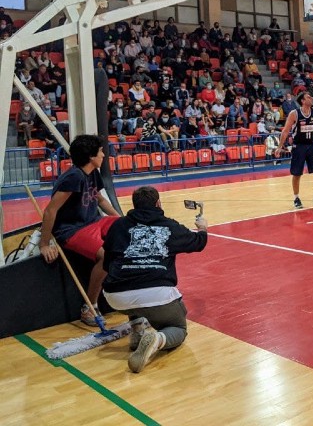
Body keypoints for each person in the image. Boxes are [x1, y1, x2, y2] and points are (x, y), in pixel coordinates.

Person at [102, 186, 208, 373]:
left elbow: (107, 263)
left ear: (134, 204)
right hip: (156, 292)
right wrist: (202, 229)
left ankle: (137, 331)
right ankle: (157, 339)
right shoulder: (169, 225)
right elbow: (198, 243)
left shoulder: (119, 225)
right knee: (178, 327)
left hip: (115, 295)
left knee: (133, 288)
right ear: (158, 203)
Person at [38, 135, 121, 324]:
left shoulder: (93, 172)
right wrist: (44, 244)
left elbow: (100, 199)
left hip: (94, 221)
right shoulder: (74, 177)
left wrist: (120, 220)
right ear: (91, 156)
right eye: (100, 152)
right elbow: (50, 211)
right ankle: (89, 307)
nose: (103, 155)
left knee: (129, 232)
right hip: (72, 230)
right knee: (106, 257)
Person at [274, 91, 313, 208]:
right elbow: (285, 131)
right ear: (303, 101)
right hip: (298, 146)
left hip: (311, 145)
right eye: (308, 97)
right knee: (297, 173)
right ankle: (296, 198)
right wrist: (279, 147)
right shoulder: (294, 114)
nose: (311, 98)